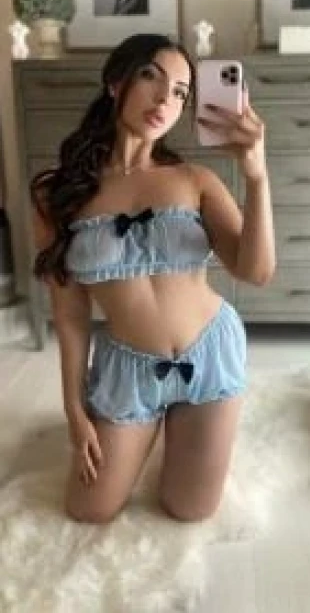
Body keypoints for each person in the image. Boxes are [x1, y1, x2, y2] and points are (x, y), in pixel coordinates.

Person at [31, 33, 276, 525]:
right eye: (151, 77)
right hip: (127, 371)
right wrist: (74, 410)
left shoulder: (195, 180)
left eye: (181, 92)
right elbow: (71, 315)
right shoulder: (56, 194)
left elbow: (256, 272)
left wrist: (255, 175)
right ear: (115, 82)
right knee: (89, 509)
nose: (166, 99)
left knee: (189, 509)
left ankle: (186, 435)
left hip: (208, 356)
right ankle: (152, 434)